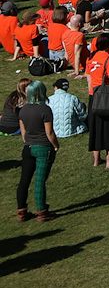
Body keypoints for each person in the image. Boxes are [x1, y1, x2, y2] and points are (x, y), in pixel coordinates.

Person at [13, 80, 55, 221]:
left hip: (28, 148)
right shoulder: (45, 110)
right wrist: (56, 145)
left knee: (24, 180)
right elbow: (49, 133)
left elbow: (24, 134)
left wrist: (30, 142)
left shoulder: (23, 110)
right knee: (40, 180)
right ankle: (42, 212)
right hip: (43, 147)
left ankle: (21, 211)